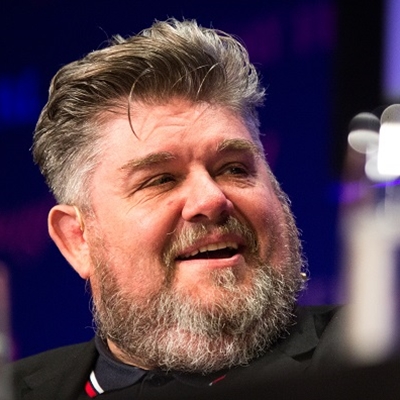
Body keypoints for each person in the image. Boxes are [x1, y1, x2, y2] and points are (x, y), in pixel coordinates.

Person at [10, 18, 345, 399]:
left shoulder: (372, 361)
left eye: (234, 169)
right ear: (78, 239)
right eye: (160, 179)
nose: (211, 200)